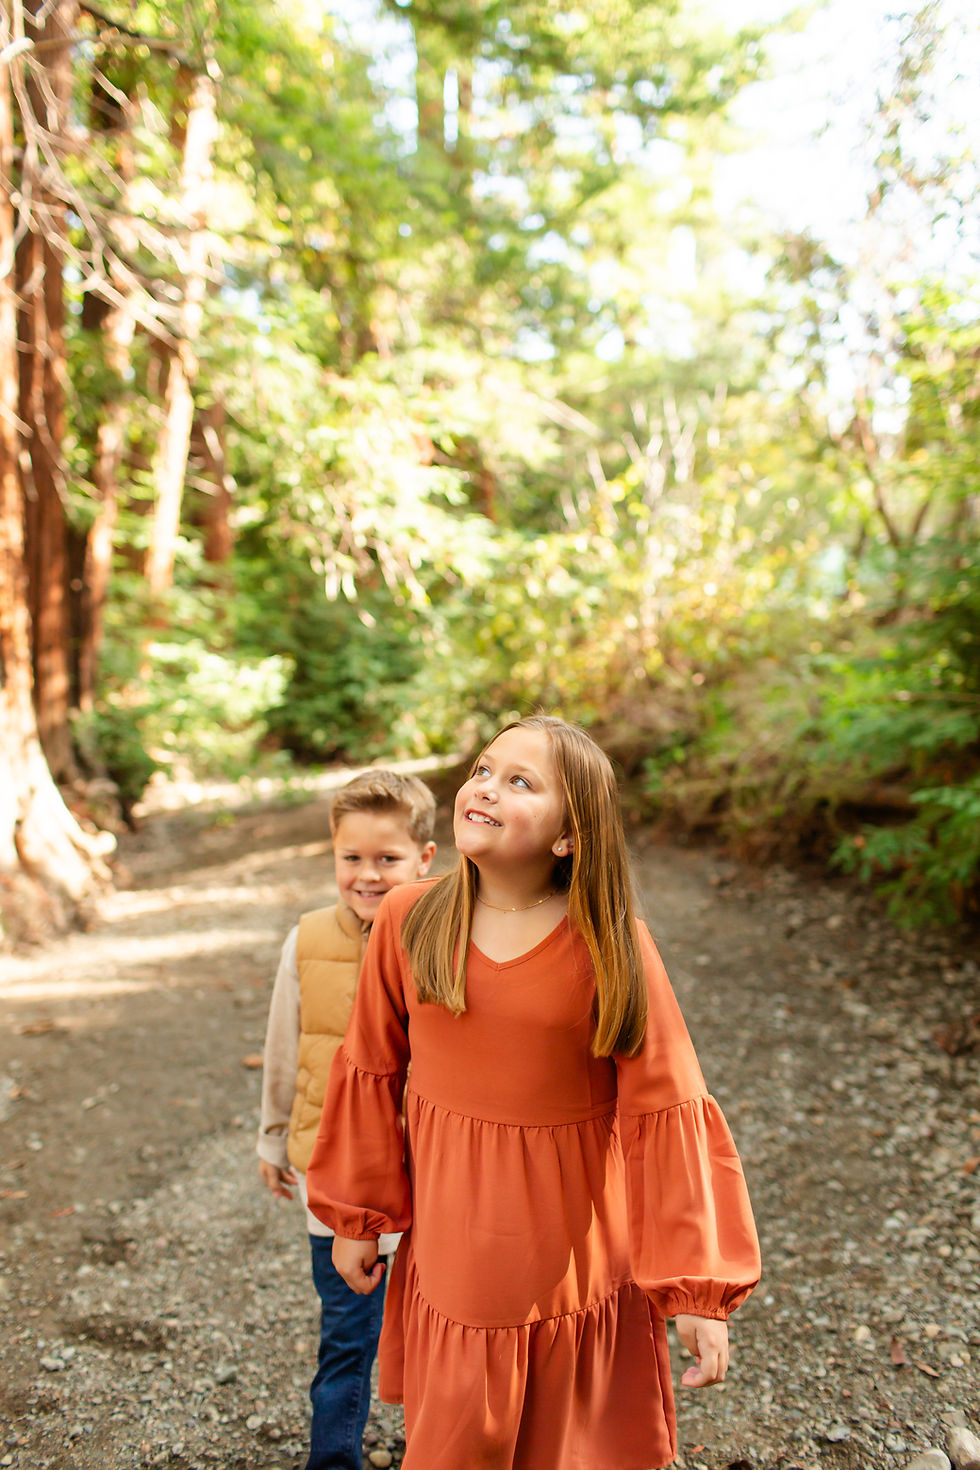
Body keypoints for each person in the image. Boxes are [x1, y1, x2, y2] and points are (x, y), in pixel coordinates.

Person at [306, 716, 761, 1470]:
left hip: (576, 1258)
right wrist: (359, 1217)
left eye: (520, 781)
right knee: (457, 1441)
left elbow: (667, 1110)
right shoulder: (407, 920)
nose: (484, 787)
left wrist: (694, 1291)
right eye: (484, 769)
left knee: (575, 1444)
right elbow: (369, 1072)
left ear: (568, 835)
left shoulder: (611, 944)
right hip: (458, 1253)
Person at [256, 769, 437, 1470]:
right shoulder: (304, 942)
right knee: (347, 1339)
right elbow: (284, 1046)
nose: (367, 875)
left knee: (432, 1338)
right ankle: (333, 1460)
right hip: (333, 1179)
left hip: (427, 1180)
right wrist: (274, 1138)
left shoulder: (446, 941)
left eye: (387, 859)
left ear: (425, 858)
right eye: (351, 858)